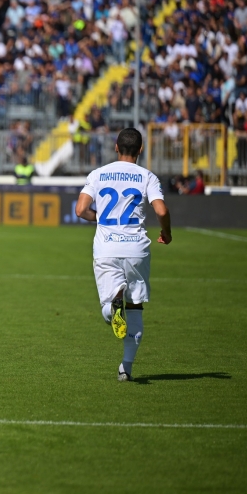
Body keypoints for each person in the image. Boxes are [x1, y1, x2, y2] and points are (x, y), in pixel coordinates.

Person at [76, 128, 172, 382]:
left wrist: (100, 219)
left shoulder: (98, 174)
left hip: (107, 247)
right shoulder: (147, 177)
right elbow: (161, 211)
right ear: (141, 150)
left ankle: (113, 305)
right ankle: (126, 368)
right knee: (136, 307)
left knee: (108, 308)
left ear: (116, 147)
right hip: (136, 249)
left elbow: (80, 209)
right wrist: (167, 232)